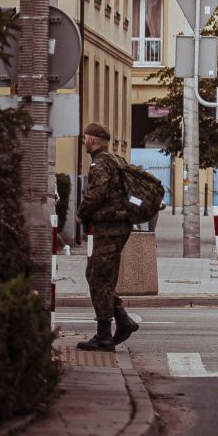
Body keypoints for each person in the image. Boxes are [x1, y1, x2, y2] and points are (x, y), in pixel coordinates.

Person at [75, 122, 138, 351]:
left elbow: (95, 195)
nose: (84, 143)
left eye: (85, 138)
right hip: (119, 226)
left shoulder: (100, 163)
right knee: (97, 274)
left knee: (99, 277)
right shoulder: (117, 160)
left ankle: (104, 335)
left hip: (110, 228)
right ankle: (122, 319)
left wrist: (81, 215)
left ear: (92, 139)